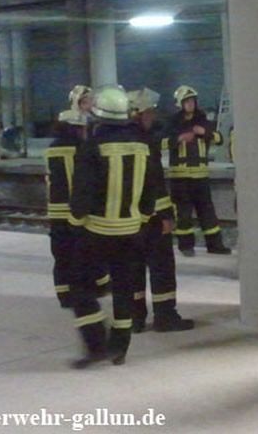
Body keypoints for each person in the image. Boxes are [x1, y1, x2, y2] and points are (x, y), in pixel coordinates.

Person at [68, 85, 156, 368]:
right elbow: (150, 192)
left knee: (80, 287)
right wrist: (141, 219)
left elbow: (82, 193)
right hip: (132, 231)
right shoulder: (144, 146)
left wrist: (74, 223)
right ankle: (120, 347)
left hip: (97, 230)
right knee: (124, 289)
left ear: (98, 117)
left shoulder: (92, 147)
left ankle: (96, 344)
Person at [127, 88, 195, 333]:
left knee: (132, 267)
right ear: (138, 114)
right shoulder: (146, 142)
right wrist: (166, 216)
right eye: (149, 111)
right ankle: (165, 316)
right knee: (161, 266)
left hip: (126, 220)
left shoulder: (117, 140)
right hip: (152, 217)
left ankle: (134, 318)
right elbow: (153, 180)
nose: (152, 115)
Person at [45, 108, 109, 308]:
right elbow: (86, 182)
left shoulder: (51, 149)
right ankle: (94, 287)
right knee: (85, 252)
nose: (84, 132)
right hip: (76, 210)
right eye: (82, 128)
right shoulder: (82, 149)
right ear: (74, 128)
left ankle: (64, 295)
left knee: (61, 254)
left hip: (55, 210)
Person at [164, 85, 230, 257]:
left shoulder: (203, 121)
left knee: (207, 211)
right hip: (180, 177)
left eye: (192, 101)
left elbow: (219, 139)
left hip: (201, 176)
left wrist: (205, 133)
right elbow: (160, 143)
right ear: (180, 103)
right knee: (183, 213)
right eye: (187, 101)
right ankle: (186, 246)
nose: (190, 104)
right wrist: (179, 139)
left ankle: (215, 245)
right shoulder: (172, 123)